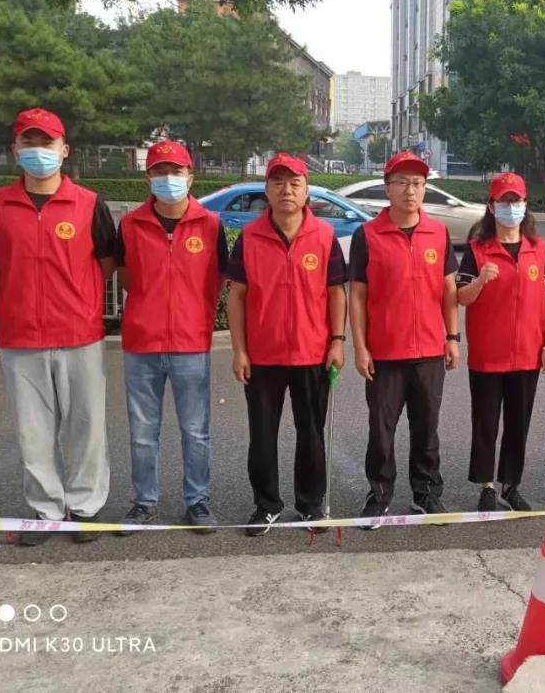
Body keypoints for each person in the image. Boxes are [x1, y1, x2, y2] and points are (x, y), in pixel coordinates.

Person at [0, 108, 115, 546]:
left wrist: (77, 297)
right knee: (33, 432)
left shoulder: (90, 203)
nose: (38, 150)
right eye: (29, 142)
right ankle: (47, 510)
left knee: (85, 426)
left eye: (47, 142)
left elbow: (105, 263)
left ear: (64, 149)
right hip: (21, 336)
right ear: (15, 149)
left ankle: (85, 507)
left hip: (79, 334)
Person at [226, 153, 347, 536]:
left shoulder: (324, 236)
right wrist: (239, 350)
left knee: (311, 432)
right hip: (263, 355)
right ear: (267, 190)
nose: (286, 190)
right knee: (262, 435)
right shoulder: (250, 237)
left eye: (295, 183)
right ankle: (267, 505)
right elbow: (237, 296)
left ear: (307, 190)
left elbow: (336, 293)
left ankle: (310, 505)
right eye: (278, 183)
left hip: (312, 352)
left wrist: (338, 341)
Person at [115, 140, 227, 534]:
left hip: (190, 344)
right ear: (148, 178)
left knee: (195, 431)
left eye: (176, 171)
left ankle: (197, 500)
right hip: (141, 343)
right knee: (143, 432)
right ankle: (144, 501)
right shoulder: (130, 224)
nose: (168, 179)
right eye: (160, 171)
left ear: (190, 177)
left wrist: (193, 312)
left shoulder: (210, 225)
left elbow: (218, 278)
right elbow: (126, 275)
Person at [349, 151, 460, 524]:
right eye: (402, 183)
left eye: (417, 183)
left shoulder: (438, 233)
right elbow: (358, 295)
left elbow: (448, 290)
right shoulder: (367, 235)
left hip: (429, 349)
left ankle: (426, 493)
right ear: (388, 188)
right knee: (381, 430)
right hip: (385, 351)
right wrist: (360, 347)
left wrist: (452, 337)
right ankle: (379, 494)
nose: (410, 191)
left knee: (427, 427)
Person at [457, 172, 545, 513]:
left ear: (525, 205)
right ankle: (486, 485)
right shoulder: (477, 250)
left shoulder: (538, 248)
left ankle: (510, 485)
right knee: (485, 422)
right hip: (488, 352)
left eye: (516, 201)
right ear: (491, 206)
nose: (511, 207)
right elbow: (461, 297)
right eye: (504, 201)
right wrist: (480, 281)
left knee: (518, 422)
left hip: (527, 351)